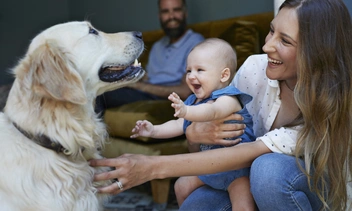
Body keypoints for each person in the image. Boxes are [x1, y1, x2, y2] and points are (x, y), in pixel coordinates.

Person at [90, 0, 352, 210]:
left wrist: (151, 167)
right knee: (197, 202)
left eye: (285, 40)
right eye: (272, 30)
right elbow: (208, 139)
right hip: (246, 175)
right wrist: (194, 133)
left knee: (268, 171)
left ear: (315, 52)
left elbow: (248, 153)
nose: (266, 44)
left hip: (311, 189)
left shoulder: (330, 101)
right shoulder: (253, 68)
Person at [130, 38, 256, 210]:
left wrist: (186, 111)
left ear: (224, 75)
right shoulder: (193, 101)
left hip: (237, 170)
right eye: (188, 70)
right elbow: (178, 125)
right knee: (180, 186)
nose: (191, 76)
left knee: (243, 206)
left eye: (200, 70)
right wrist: (152, 130)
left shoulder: (229, 98)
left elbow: (212, 112)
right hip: (209, 168)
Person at [95, 0, 204, 115]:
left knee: (101, 95)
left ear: (185, 13)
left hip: (163, 98)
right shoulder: (157, 46)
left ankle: (90, 133)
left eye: (176, 10)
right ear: (160, 16)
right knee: (98, 88)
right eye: (165, 11)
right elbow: (148, 77)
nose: (171, 16)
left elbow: (185, 91)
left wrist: (138, 85)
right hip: (143, 92)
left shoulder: (196, 43)